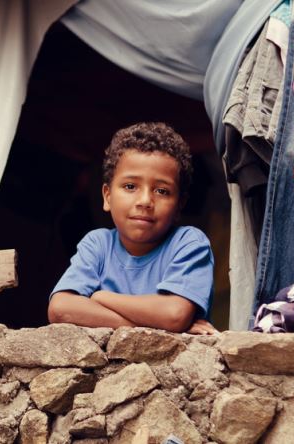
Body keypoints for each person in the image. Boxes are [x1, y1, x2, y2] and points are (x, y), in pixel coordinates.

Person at [47, 122, 218, 335]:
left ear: (179, 205)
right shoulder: (98, 244)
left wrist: (100, 297)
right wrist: (154, 325)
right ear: (107, 196)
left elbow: (174, 315)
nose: (145, 201)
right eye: (130, 186)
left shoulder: (189, 243)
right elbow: (60, 309)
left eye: (162, 191)